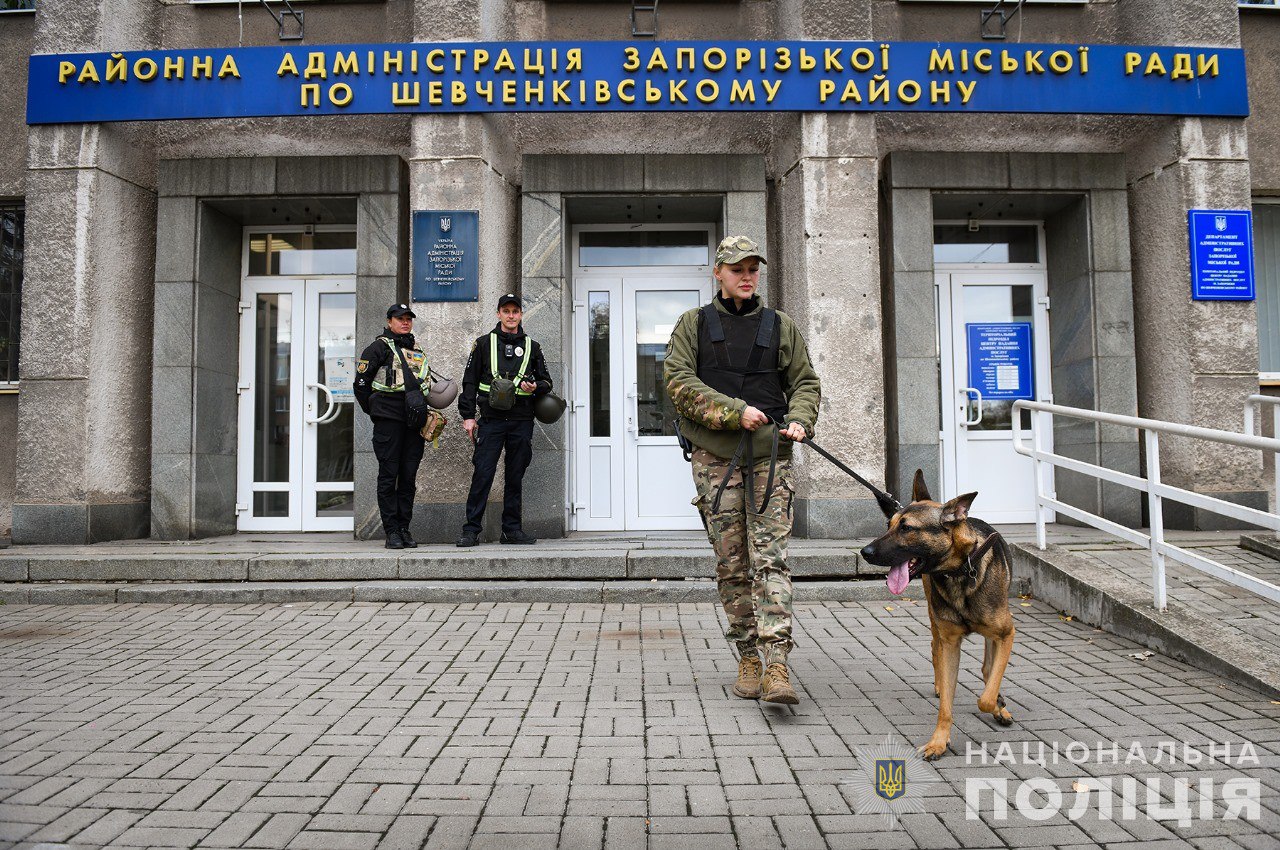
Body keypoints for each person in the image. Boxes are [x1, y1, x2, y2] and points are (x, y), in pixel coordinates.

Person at [663, 236, 821, 705]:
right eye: (737, 269)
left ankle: (777, 666)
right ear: (718, 274)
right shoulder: (692, 325)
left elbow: (805, 382)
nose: (747, 276)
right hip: (715, 461)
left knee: (770, 560)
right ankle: (747, 656)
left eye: (753, 268)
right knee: (732, 563)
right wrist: (735, 412)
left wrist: (800, 419)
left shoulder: (781, 326)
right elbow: (678, 382)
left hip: (771, 461)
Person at [456, 293, 553, 547]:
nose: (511, 316)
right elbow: (469, 382)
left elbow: (547, 381)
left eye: (515, 311)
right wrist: (468, 416)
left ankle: (511, 530)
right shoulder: (483, 344)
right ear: (498, 313)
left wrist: (537, 387)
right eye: (506, 311)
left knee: (515, 476)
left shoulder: (533, 346)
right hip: (491, 420)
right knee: (483, 474)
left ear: (521, 314)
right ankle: (471, 530)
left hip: (521, 419)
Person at [354, 303, 431, 550]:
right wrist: (376, 410)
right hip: (389, 421)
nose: (405, 322)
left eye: (408, 318)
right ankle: (391, 532)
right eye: (400, 318)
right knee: (389, 476)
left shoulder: (416, 350)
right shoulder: (377, 348)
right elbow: (361, 385)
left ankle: (404, 528)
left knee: (408, 478)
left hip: (413, 422)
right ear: (389, 322)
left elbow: (424, 383)